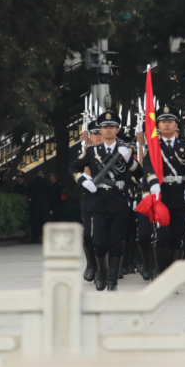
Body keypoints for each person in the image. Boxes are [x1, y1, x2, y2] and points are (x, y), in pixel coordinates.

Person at [69, 111, 140, 291]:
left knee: (116, 243)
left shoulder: (124, 151)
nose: (108, 130)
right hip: (97, 203)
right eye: (104, 127)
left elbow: (139, 174)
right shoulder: (92, 151)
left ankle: (112, 280)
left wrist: (129, 160)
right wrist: (83, 181)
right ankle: (101, 272)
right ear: (100, 130)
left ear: (117, 129)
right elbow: (73, 168)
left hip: (118, 202)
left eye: (111, 127)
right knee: (98, 243)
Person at [141, 102, 185, 276]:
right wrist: (153, 184)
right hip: (161, 197)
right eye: (163, 121)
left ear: (176, 125)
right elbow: (148, 167)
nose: (166, 124)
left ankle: (171, 274)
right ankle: (160, 270)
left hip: (180, 197)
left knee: (176, 239)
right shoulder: (153, 146)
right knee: (162, 237)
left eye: (170, 121)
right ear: (157, 125)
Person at [78, 121, 103, 283]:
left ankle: (102, 269)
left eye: (100, 133)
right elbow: (77, 172)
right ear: (91, 137)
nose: (98, 136)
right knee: (88, 235)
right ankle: (91, 264)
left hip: (109, 197)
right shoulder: (86, 154)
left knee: (104, 236)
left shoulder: (114, 151)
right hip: (90, 198)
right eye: (95, 134)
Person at [26, 169, 50, 244]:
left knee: (35, 221)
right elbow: (51, 195)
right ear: (42, 175)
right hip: (45, 205)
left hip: (35, 204)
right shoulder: (46, 182)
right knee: (45, 221)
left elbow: (28, 193)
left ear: (35, 175)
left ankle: (35, 238)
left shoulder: (31, 182)